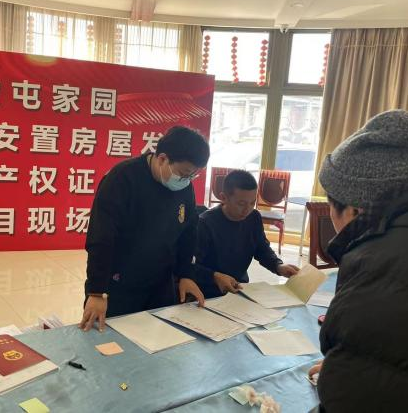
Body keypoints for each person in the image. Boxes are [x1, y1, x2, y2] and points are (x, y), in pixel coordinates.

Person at [310, 110, 408, 412]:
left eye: (330, 205)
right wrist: (351, 369)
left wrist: (350, 382)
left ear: (354, 210)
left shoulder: (381, 268)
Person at [79, 126, 209, 332]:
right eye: (184, 173)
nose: (187, 180)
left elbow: (188, 232)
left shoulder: (184, 186)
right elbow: (101, 238)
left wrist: (186, 274)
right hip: (119, 283)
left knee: (157, 338)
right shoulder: (122, 178)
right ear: (162, 159)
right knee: (110, 340)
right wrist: (97, 292)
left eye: (193, 176)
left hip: (160, 282)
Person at [194, 169, 299, 299]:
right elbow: (190, 266)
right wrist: (214, 276)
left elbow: (262, 249)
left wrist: (278, 266)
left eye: (252, 203)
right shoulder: (205, 224)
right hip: (208, 293)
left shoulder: (254, 217)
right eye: (241, 204)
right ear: (223, 198)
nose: (247, 210)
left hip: (240, 289)